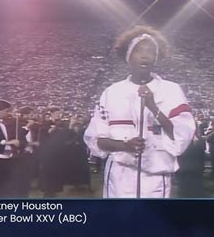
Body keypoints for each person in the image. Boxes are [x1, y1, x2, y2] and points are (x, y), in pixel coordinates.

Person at [84, 25, 196, 198]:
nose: (145, 55)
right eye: (139, 51)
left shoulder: (171, 91)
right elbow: (95, 139)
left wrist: (154, 108)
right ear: (128, 57)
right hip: (119, 176)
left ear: (156, 58)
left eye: (150, 52)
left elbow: (182, 136)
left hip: (156, 178)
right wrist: (124, 146)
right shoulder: (112, 92)